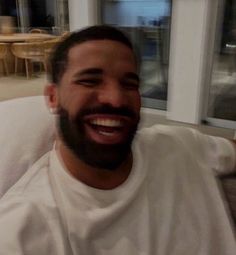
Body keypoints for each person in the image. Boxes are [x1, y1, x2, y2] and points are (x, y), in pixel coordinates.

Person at [0, 25, 236, 255]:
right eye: (90, 80)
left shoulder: (179, 144)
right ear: (53, 97)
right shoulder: (21, 230)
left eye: (129, 84)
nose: (115, 99)